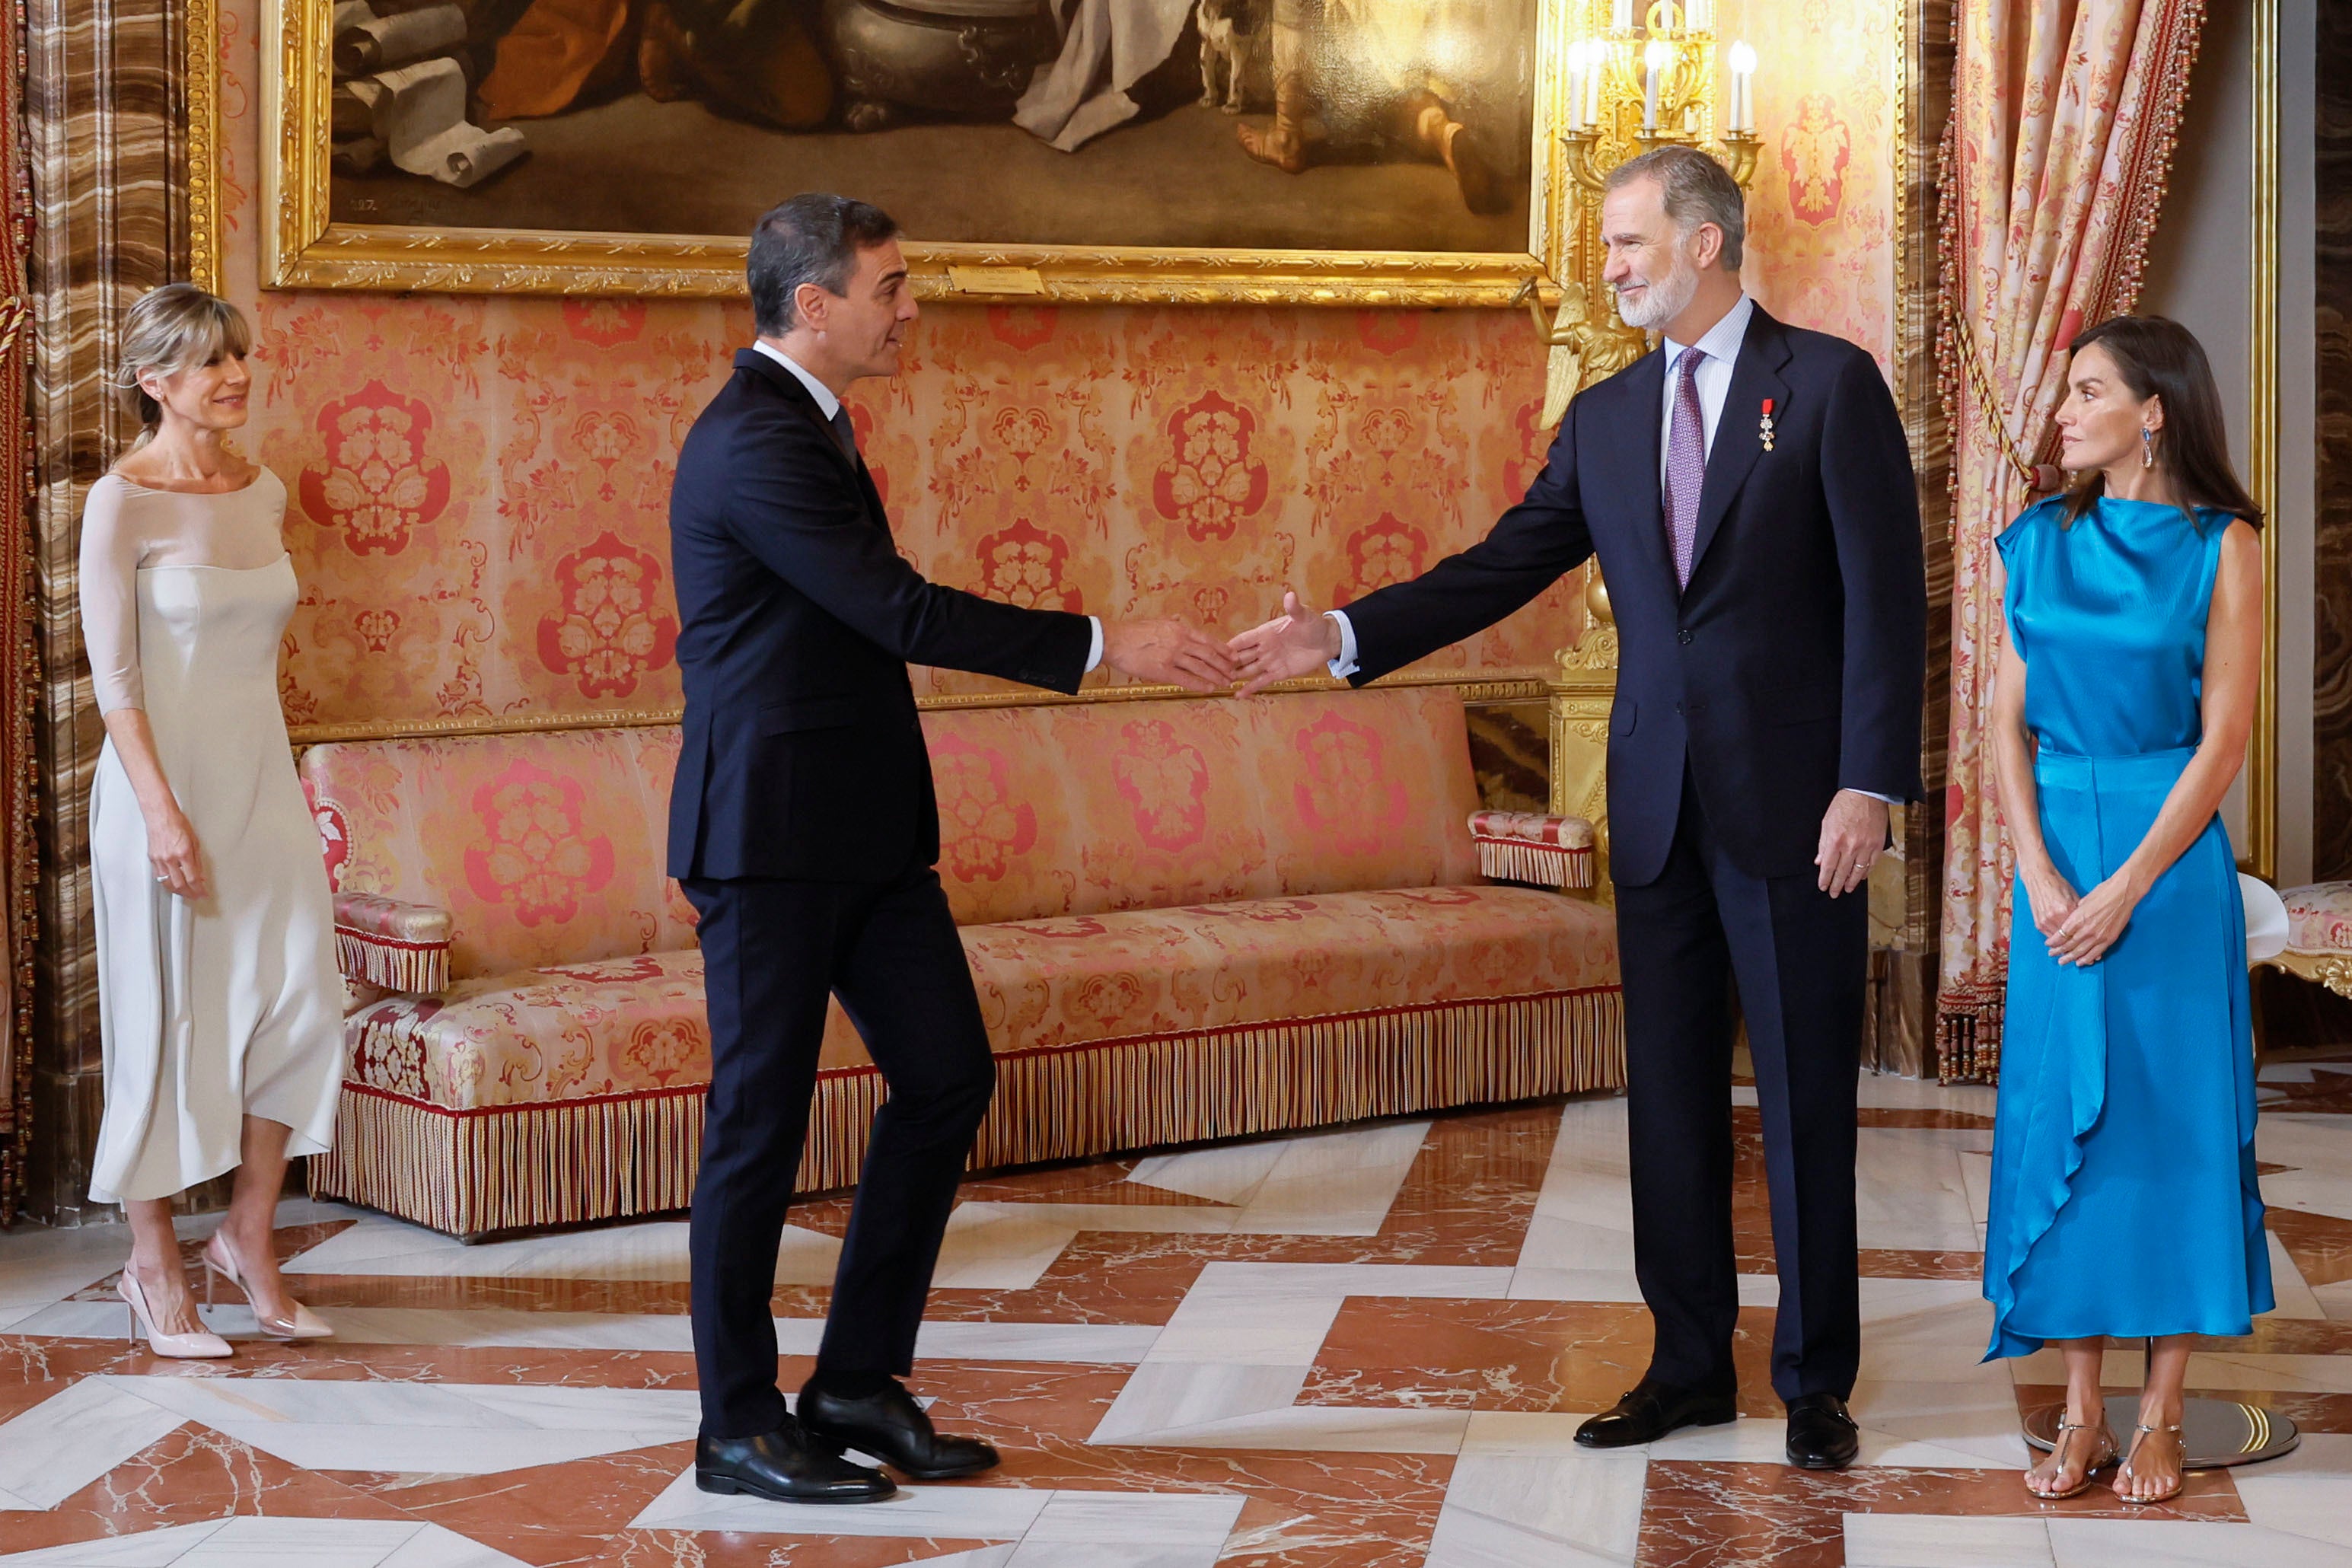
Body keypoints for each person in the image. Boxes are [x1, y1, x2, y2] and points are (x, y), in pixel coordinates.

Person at [1230, 144, 1925, 1470]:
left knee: (1799, 1103)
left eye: (1624, 245)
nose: (1604, 270)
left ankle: (1814, 1380)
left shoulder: (1827, 387)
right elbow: (1498, 567)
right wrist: (1336, 631)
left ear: (1704, 244)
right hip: (1656, 808)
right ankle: (1683, 1370)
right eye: (1606, 248)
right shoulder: (1606, 418)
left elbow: (1888, 606)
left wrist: (1867, 781)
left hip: (1798, 810)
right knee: (1665, 1104)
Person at [667, 193, 1235, 1506]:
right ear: (815, 306)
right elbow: (896, 609)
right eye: (892, 287)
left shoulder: (814, 423)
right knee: (756, 1128)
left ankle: (857, 1380)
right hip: (766, 840)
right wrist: (1106, 644)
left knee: (944, 1077)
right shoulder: (753, 438)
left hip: (863, 832)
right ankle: (736, 1425)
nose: (910, 308)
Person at [1981, 315, 2273, 1506]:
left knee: (2170, 1123)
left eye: (2087, 390)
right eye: (2063, 393)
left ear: (2152, 411)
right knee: (2066, 1122)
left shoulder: (2224, 544)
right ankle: (2081, 1408)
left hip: (2164, 858)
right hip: (2052, 850)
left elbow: (2224, 740)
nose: (2063, 411)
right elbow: (2000, 719)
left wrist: (2125, 884)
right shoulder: (2032, 540)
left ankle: (2159, 1413)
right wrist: (2042, 874)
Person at [79, 283, 343, 1357]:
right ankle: (152, 1268)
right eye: (208, 362)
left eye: (240, 356)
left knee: (300, 1004)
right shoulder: (121, 501)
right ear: (154, 382)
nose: (236, 376)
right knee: (158, 1016)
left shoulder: (262, 487)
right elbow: (115, 683)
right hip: (159, 791)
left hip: (260, 784)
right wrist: (161, 816)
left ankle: (247, 1239)